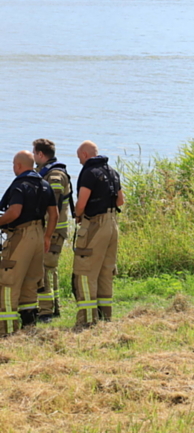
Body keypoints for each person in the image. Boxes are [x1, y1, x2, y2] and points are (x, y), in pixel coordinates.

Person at [0, 151, 58, 335]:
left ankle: (7, 330)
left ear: (18, 165)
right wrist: (47, 236)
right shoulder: (45, 184)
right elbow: (54, 214)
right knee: (31, 282)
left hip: (21, 235)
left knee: (9, 281)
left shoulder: (20, 185)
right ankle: (29, 326)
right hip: (38, 235)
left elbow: (15, 212)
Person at [73, 141, 124, 328]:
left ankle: (86, 319)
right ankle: (105, 316)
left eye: (79, 158)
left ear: (85, 155)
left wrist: (78, 215)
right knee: (105, 270)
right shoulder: (112, 171)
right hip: (112, 225)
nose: (80, 162)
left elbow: (81, 203)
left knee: (85, 271)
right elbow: (120, 200)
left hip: (95, 225)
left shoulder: (89, 172)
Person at [33, 139, 73, 323]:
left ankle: (46, 311)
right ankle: (54, 307)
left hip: (53, 231)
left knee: (45, 270)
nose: (34, 158)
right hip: (53, 231)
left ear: (41, 154)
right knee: (50, 269)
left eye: (35, 154)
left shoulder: (55, 176)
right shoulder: (46, 172)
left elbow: (52, 208)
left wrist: (46, 235)